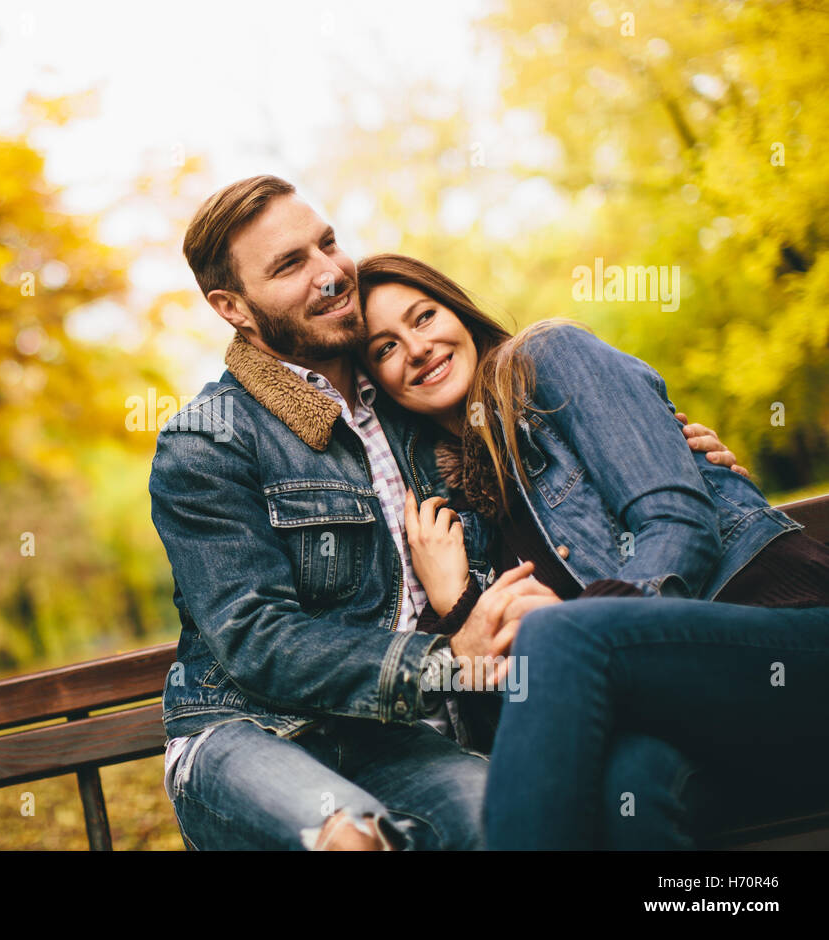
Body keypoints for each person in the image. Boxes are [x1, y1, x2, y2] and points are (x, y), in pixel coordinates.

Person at [148, 174, 743, 850]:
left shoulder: (413, 401)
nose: (330, 274)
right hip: (249, 733)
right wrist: (442, 662)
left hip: (398, 738)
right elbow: (257, 638)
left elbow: (544, 472)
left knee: (519, 824)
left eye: (328, 243)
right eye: (291, 265)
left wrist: (676, 452)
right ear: (233, 307)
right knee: (352, 840)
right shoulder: (209, 439)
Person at [354, 252, 829, 848]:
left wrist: (583, 629)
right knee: (629, 790)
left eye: (423, 317)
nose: (416, 348)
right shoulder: (452, 521)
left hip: (783, 641)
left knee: (560, 636)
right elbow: (518, 730)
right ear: (377, 386)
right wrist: (458, 610)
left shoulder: (550, 363)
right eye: (385, 348)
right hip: (696, 725)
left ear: (460, 314)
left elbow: (676, 521)